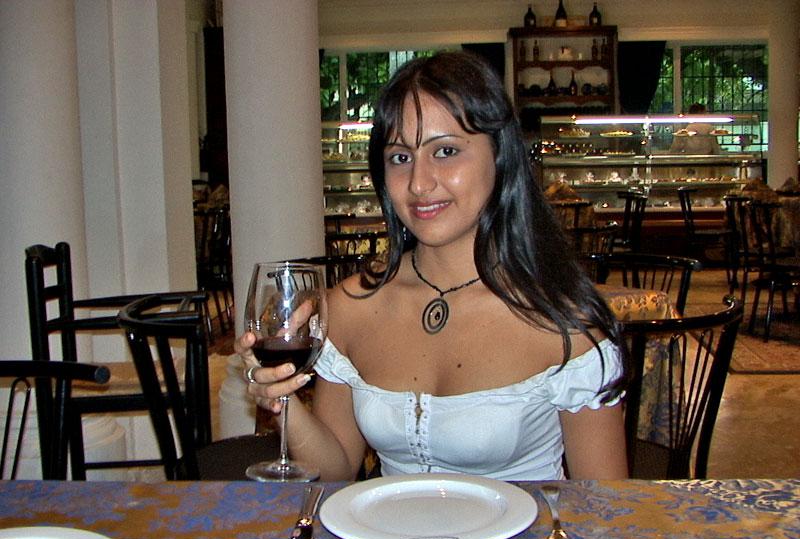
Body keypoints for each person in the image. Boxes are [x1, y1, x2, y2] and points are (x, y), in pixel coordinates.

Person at [236, 51, 629, 482]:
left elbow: (605, 503)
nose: (419, 184)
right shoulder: (351, 307)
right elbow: (337, 470)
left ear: (500, 156)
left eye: (445, 151)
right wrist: (283, 401)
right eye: (400, 158)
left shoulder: (564, 322)